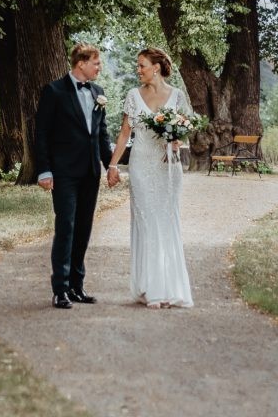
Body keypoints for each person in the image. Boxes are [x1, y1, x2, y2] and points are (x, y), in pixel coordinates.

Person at [107, 47, 194, 308]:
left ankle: (170, 289)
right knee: (146, 224)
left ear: (155, 67)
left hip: (168, 167)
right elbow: (124, 134)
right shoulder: (133, 96)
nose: (138, 69)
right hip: (141, 165)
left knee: (167, 224)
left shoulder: (177, 96)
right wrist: (113, 165)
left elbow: (188, 129)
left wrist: (178, 140)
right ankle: (150, 288)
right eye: (138, 65)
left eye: (142, 65)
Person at [35, 43, 113, 309]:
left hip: (91, 172)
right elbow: (41, 134)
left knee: (84, 228)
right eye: (96, 62)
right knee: (66, 227)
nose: (99, 67)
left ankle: (77, 286)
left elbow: (101, 135)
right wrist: (44, 170)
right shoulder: (54, 91)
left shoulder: (98, 93)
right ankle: (60, 289)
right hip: (64, 173)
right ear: (81, 63)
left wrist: (110, 166)